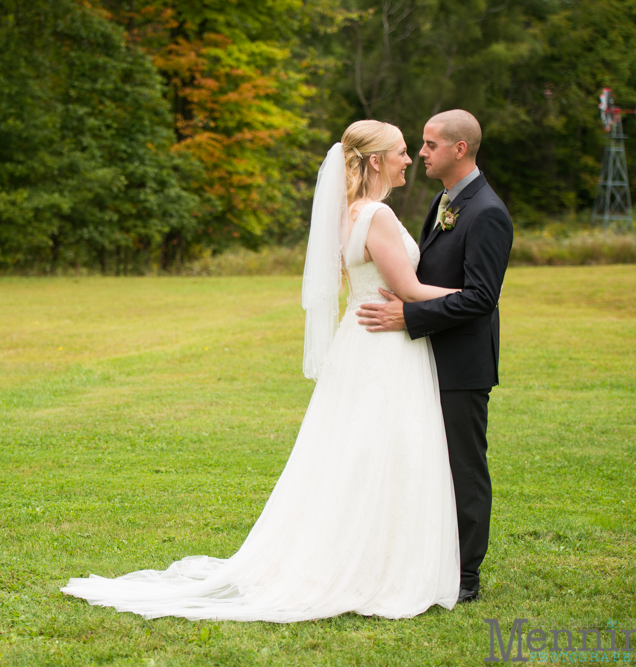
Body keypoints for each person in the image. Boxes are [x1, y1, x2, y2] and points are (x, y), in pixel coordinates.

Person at [61, 120, 462, 622]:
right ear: (377, 160)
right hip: (382, 345)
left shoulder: (348, 212)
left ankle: (363, 554)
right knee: (380, 449)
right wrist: (475, 297)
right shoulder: (376, 214)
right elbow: (407, 289)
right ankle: (374, 565)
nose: (409, 160)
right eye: (402, 152)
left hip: (360, 343)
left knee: (353, 452)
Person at [357, 109, 514, 604]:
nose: (421, 153)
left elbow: (481, 298)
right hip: (428, 358)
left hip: (462, 362)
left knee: (464, 466)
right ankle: (429, 558)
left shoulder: (487, 212)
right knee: (429, 463)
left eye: (429, 144)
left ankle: (466, 575)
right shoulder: (444, 202)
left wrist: (411, 318)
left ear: (459, 149)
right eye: (418, 145)